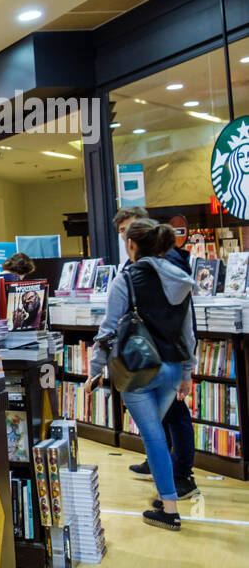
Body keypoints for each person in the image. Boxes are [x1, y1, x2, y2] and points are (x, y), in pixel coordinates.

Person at [86, 219, 195, 530]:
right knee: (157, 432)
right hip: (173, 368)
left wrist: (95, 371)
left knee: (154, 437)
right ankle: (165, 493)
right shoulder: (181, 277)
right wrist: (187, 372)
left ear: (131, 244)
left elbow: (107, 331)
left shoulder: (127, 279)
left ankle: (170, 509)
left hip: (139, 369)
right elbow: (187, 333)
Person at [114, 207, 198, 499]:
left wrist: (187, 363)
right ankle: (159, 465)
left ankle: (181, 475)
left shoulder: (166, 260)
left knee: (176, 413)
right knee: (161, 420)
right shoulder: (142, 265)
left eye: (128, 230)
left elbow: (180, 313)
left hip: (164, 353)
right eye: (122, 232)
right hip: (157, 354)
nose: (125, 238)